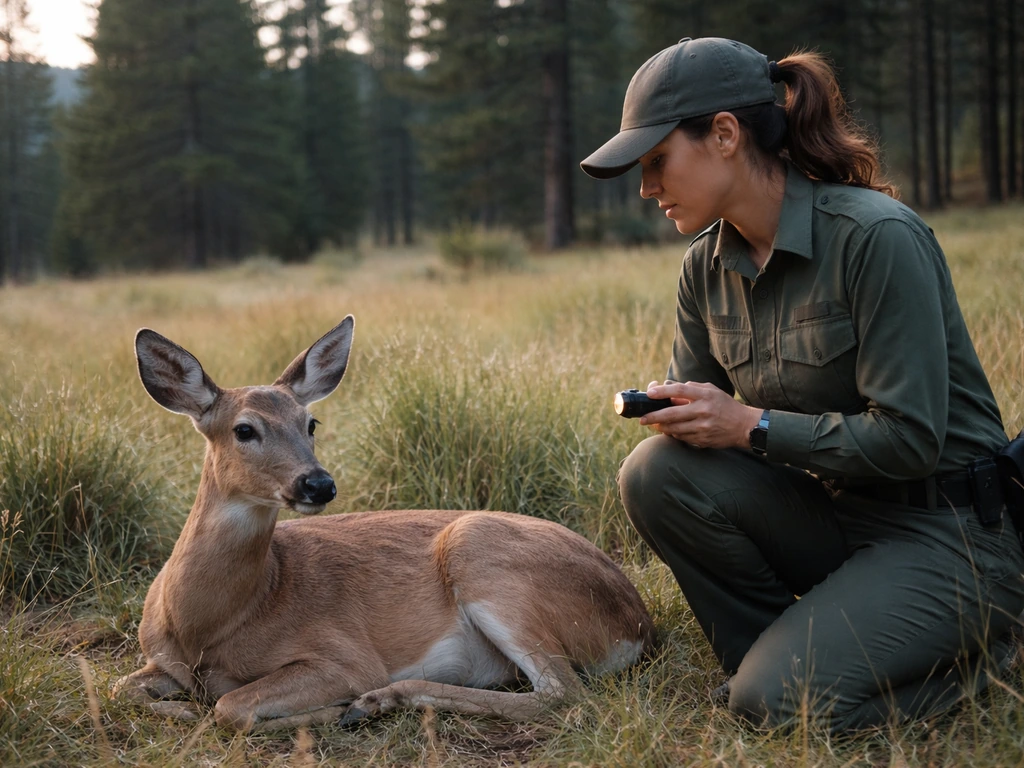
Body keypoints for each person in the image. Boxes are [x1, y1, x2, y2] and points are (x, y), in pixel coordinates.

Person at [580, 36, 1024, 731]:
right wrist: (688, 414)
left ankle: (995, 664)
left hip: (952, 534)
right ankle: (766, 666)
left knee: (780, 702)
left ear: (724, 134)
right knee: (656, 472)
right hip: (841, 520)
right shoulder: (706, 267)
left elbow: (910, 440)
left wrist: (749, 424)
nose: (647, 188)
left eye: (658, 161)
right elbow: (705, 444)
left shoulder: (876, 239)